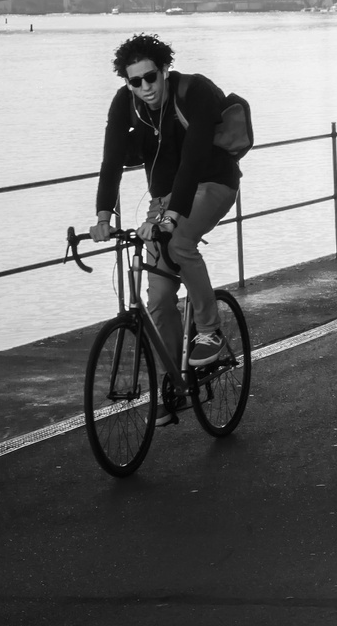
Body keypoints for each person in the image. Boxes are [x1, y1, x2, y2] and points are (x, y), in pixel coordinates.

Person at [91, 34, 241, 424]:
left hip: (212, 183)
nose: (145, 88)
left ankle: (209, 330)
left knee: (180, 241)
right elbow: (110, 159)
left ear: (164, 70)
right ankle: (176, 380)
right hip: (163, 201)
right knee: (157, 297)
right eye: (135, 81)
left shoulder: (196, 92)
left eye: (151, 77)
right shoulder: (126, 104)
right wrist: (103, 216)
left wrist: (172, 216)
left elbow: (192, 160)